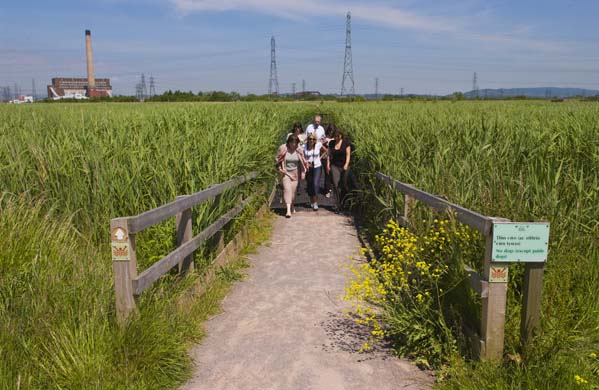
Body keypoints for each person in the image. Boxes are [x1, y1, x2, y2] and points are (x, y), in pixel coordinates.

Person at [275, 134, 308, 218]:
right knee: (287, 189)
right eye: (291, 142)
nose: (293, 144)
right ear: (288, 142)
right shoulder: (283, 148)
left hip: (295, 173)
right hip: (285, 172)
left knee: (293, 193)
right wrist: (279, 168)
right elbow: (277, 159)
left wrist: (303, 173)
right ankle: (288, 210)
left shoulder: (299, 150)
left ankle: (292, 205)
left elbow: (303, 162)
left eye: (295, 142)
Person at [326, 128, 351, 212]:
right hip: (335, 166)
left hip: (344, 166)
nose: (336, 137)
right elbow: (329, 155)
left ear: (341, 135)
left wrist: (346, 164)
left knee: (343, 184)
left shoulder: (345, 143)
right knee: (336, 185)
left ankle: (343, 202)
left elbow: (348, 155)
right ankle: (337, 205)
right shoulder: (331, 143)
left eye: (338, 136)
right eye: (335, 136)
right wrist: (328, 165)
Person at [303, 133, 328, 211]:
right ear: (308, 139)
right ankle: (312, 200)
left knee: (316, 184)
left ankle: (316, 202)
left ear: (315, 140)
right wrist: (306, 162)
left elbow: (326, 151)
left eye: (313, 139)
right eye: (310, 139)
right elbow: (301, 155)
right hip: (308, 167)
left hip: (317, 166)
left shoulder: (318, 145)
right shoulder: (304, 147)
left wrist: (320, 158)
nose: (311, 140)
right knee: (310, 185)